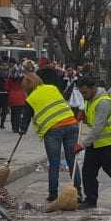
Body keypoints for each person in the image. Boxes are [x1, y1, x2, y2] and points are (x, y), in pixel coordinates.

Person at [75, 76, 111, 209]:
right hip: (96, 143)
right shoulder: (90, 100)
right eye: (81, 93)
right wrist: (84, 118)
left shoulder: (103, 102)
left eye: (85, 92)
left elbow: (98, 127)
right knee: (88, 171)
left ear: (93, 88)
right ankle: (91, 200)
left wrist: (82, 144)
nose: (83, 96)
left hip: (110, 142)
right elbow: (93, 122)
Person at [23, 72, 80, 203]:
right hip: (71, 124)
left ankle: (53, 194)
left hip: (53, 129)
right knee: (72, 160)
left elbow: (26, 116)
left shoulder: (30, 99)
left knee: (54, 163)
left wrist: (22, 130)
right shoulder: (52, 88)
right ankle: (78, 192)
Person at [5, 61, 30, 134]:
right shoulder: (23, 79)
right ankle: (18, 126)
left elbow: (7, 87)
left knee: (13, 113)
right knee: (19, 114)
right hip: (21, 98)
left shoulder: (10, 79)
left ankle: (14, 127)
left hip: (12, 98)